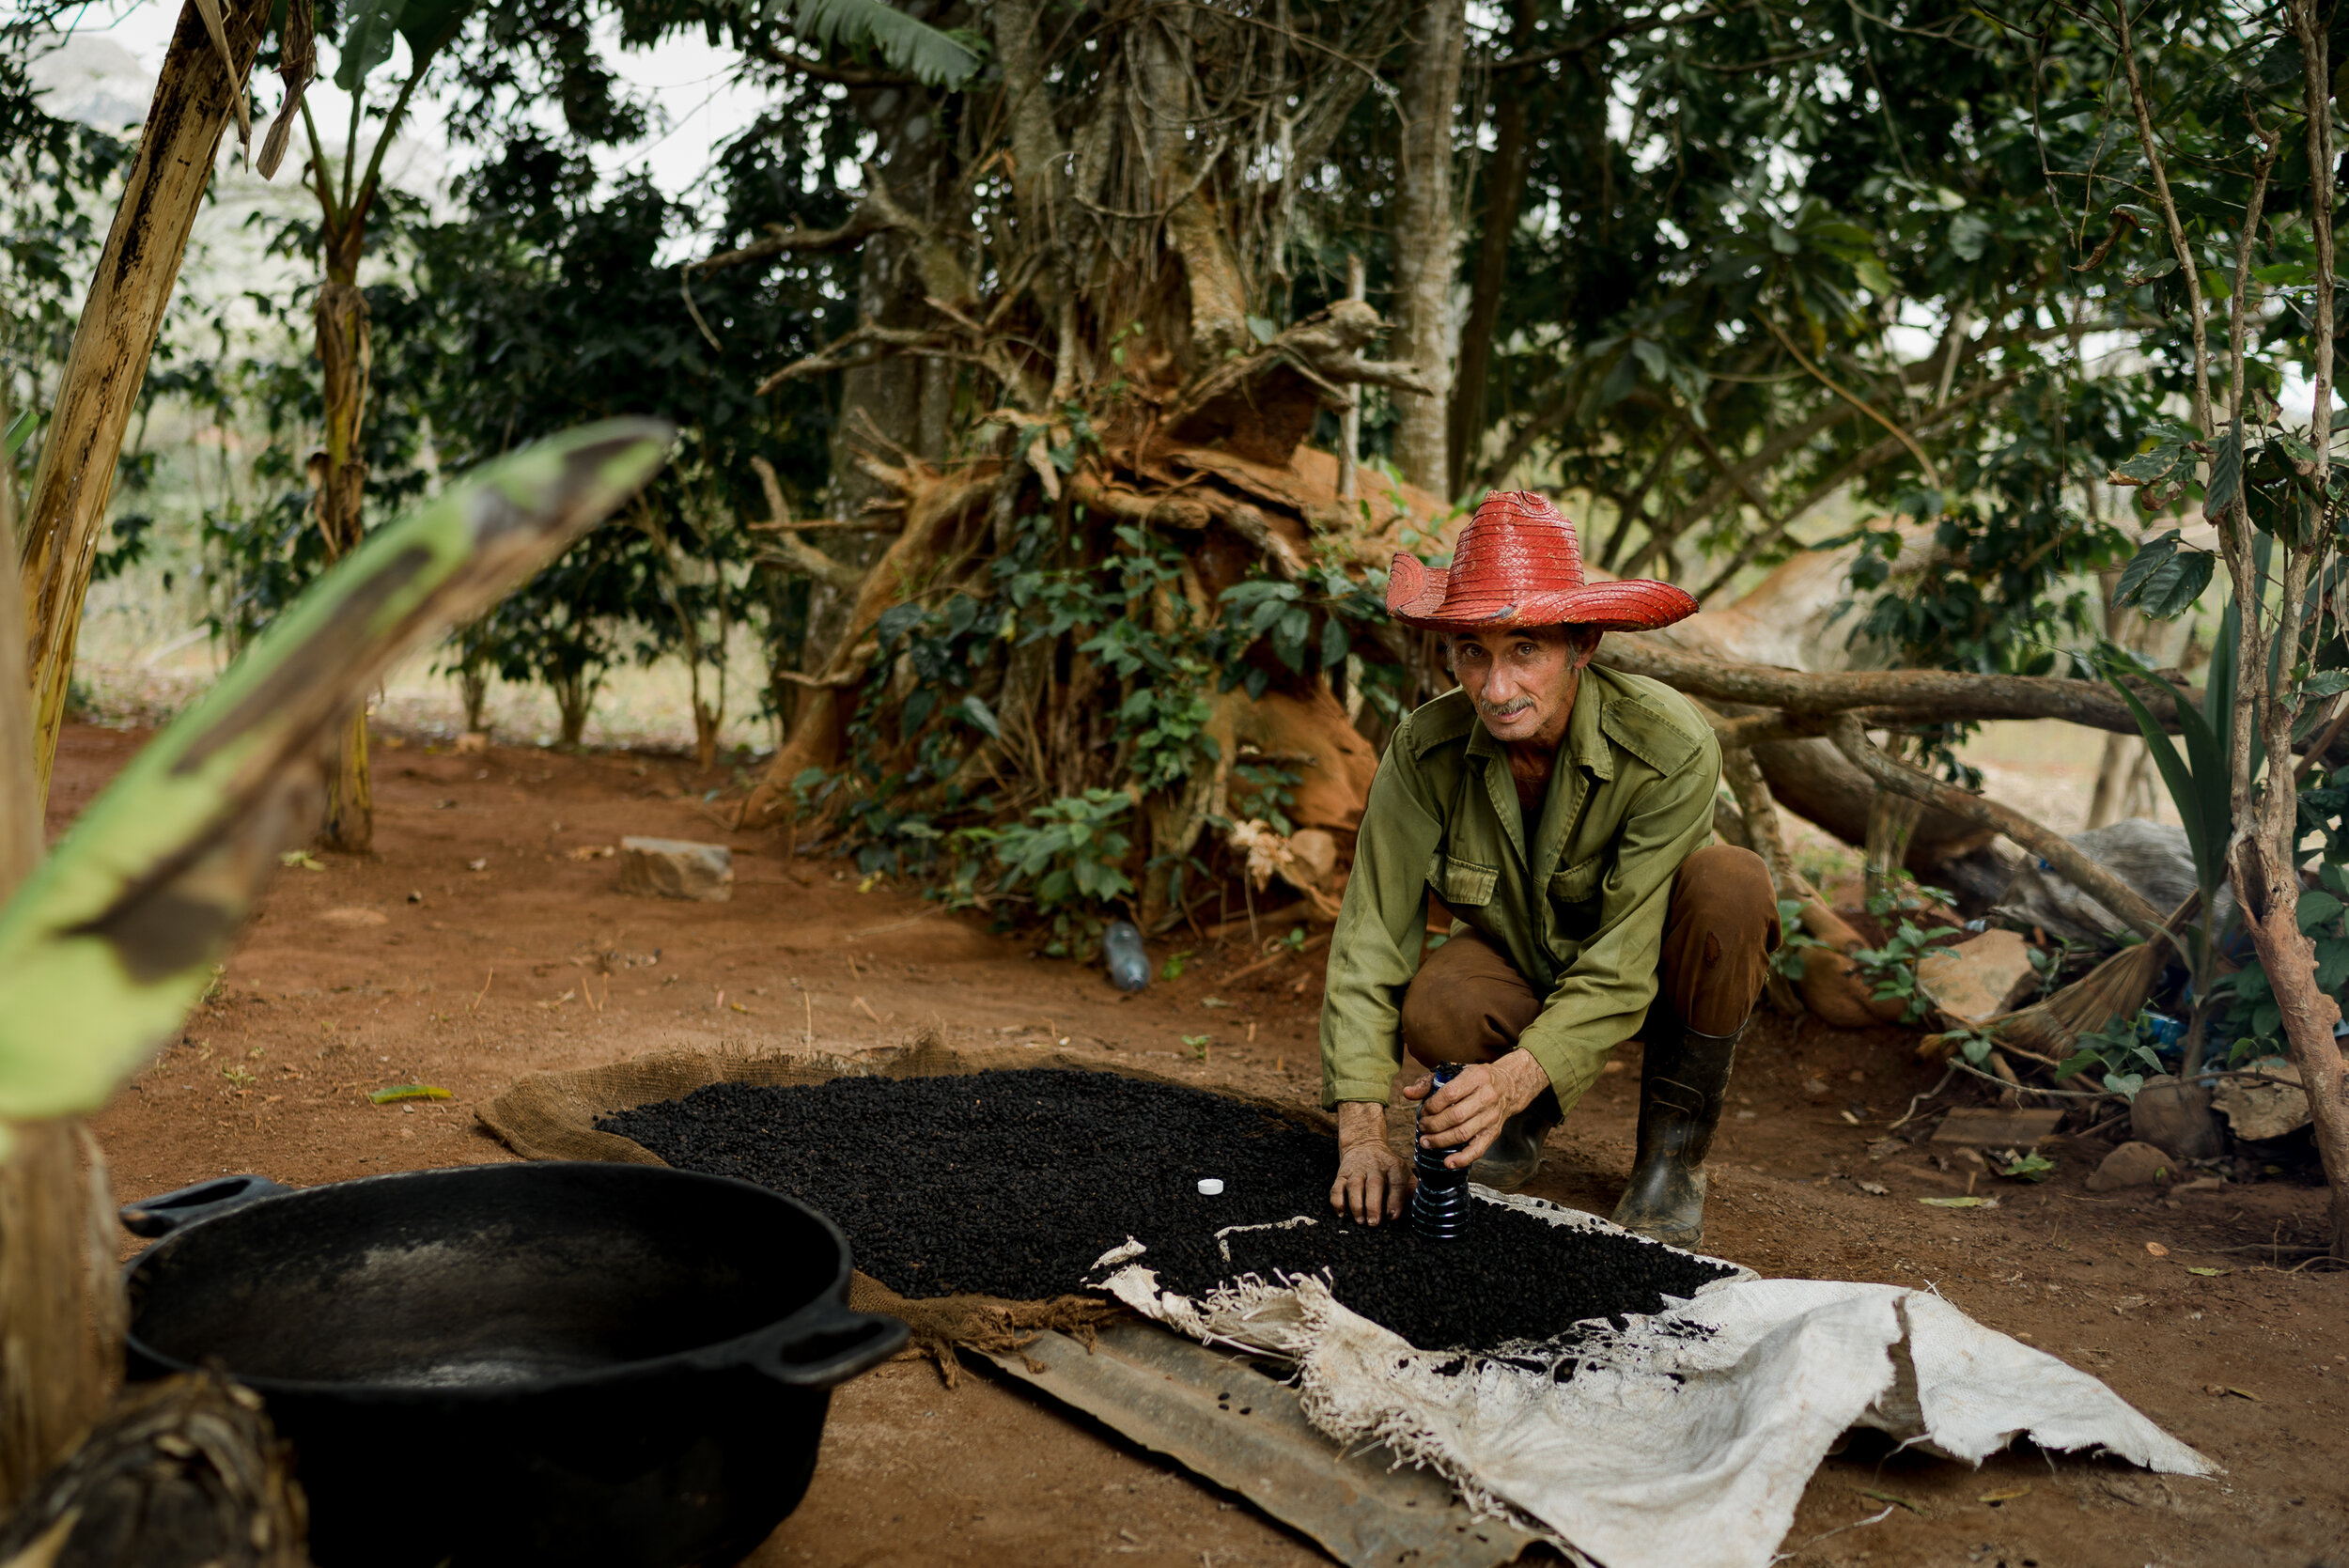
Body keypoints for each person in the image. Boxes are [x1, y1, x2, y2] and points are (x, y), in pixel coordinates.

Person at [1318, 490, 1779, 1247]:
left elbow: (1622, 963)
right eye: (1474, 651)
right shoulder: (1424, 749)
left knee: (1732, 884)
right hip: (1526, 960)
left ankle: (1672, 1154)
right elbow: (1372, 932)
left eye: (1525, 649)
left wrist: (1508, 1075)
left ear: (1583, 642)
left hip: (1651, 967)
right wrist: (1363, 1133)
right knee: (1438, 1004)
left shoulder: (1669, 745)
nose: (1496, 691)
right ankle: (1517, 1125)